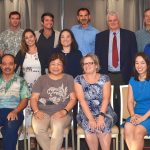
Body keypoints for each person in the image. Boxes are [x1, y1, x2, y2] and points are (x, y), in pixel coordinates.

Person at [95, 11, 137, 123]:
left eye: (115, 20)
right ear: (107, 22)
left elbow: (134, 56)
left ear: (119, 21)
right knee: (108, 101)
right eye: (110, 20)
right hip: (107, 74)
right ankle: (111, 124)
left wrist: (133, 75)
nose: (112, 22)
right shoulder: (100, 37)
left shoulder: (130, 35)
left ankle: (123, 124)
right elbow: (97, 58)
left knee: (124, 102)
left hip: (124, 74)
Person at [30, 52, 76, 150]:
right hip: (42, 112)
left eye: (59, 64)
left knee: (58, 126)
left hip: (63, 113)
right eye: (53, 64)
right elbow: (33, 98)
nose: (56, 67)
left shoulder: (69, 78)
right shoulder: (42, 79)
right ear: (49, 66)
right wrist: (36, 111)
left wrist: (64, 111)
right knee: (38, 129)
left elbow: (73, 99)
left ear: (63, 66)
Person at [74, 54, 117, 150]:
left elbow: (106, 99)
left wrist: (101, 116)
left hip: (105, 111)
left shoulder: (105, 78)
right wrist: (91, 119)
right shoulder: (78, 79)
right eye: (85, 64)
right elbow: (82, 100)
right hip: (86, 112)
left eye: (90, 63)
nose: (87, 65)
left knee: (102, 126)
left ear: (96, 65)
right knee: (90, 127)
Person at [15, 28, 46, 147]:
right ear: (24, 40)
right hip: (25, 87)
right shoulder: (22, 53)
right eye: (26, 38)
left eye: (31, 36)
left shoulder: (42, 51)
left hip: (40, 87)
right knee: (27, 112)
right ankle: (29, 138)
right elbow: (13, 67)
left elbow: (48, 69)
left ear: (35, 37)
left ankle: (38, 138)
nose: (29, 39)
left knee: (38, 111)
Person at [0, 54, 30, 150]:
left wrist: (15, 111)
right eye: (4, 64)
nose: (7, 67)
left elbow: (25, 100)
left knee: (10, 125)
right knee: (7, 129)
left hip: (14, 111)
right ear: (1, 66)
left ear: (15, 66)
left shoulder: (21, 81)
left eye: (10, 64)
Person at [124, 52, 150, 150]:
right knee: (128, 127)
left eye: (142, 63)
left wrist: (143, 118)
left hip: (148, 115)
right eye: (137, 63)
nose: (139, 66)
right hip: (136, 113)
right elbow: (130, 102)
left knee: (138, 130)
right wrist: (133, 115)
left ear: (147, 64)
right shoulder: (132, 80)